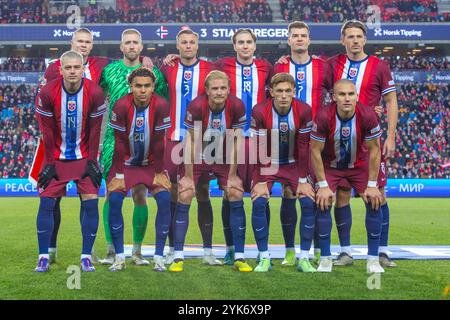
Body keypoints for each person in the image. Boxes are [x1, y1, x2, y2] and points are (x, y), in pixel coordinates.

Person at [29, 27, 155, 264]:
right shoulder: (54, 67)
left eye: (87, 42)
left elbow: (129, 59)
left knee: (88, 198)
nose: (83, 45)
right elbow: (48, 105)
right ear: (71, 43)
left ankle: (87, 253)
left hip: (88, 143)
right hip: (56, 142)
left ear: (92, 46)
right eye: (79, 41)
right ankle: (51, 249)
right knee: (50, 198)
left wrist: (145, 61)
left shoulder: (101, 65)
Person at [327, 20, 398, 268]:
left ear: (365, 39)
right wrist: (284, 59)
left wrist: (390, 136)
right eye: (350, 36)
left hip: (370, 141)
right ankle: (345, 252)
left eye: (359, 36)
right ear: (342, 40)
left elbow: (391, 101)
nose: (355, 40)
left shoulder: (379, 66)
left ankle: (382, 252)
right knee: (342, 193)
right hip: (339, 139)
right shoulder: (332, 64)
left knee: (378, 194)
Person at [169, 70, 251, 272]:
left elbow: (236, 141)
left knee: (235, 191)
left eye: (223, 88)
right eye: (214, 88)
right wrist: (188, 177)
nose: (219, 92)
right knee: (186, 193)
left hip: (223, 156)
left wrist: (232, 175)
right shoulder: (197, 106)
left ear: (229, 89)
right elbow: (191, 142)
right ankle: (178, 257)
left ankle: (238, 256)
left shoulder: (237, 105)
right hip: (198, 155)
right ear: (207, 90)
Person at [99, 28, 167, 266]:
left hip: (145, 141)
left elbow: (162, 103)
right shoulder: (108, 71)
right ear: (121, 47)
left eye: (135, 42)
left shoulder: (154, 73)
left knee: (140, 193)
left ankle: (137, 251)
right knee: (112, 192)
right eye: (127, 42)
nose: (131, 46)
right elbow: (96, 95)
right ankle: (110, 250)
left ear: (141, 46)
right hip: (113, 140)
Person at [34, 50, 105, 272]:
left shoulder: (95, 91)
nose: (73, 71)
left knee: (91, 204)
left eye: (77, 67)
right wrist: (49, 163)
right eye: (68, 67)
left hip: (84, 158)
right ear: (61, 70)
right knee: (46, 203)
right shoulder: (47, 92)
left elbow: (95, 130)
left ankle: (85, 257)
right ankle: (43, 257)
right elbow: (46, 131)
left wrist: (93, 161)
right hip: (56, 159)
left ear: (83, 68)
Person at [159, 29, 221, 266]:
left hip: (204, 140)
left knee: (202, 191)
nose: (187, 46)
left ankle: (207, 251)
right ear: (177, 45)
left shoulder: (210, 69)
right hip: (174, 138)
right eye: (183, 42)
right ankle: (175, 250)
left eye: (191, 42)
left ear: (197, 45)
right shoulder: (168, 68)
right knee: (174, 192)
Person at [273, 21, 332, 266]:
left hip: (318, 140)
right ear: (288, 40)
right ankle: (289, 251)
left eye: (303, 35)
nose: (299, 39)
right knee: (289, 191)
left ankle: (319, 251)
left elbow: (342, 90)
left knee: (319, 193)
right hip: (287, 138)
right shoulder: (278, 66)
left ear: (309, 40)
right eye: (294, 35)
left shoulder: (323, 66)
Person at [310, 79, 385, 273]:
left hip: (358, 164)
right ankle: (325, 258)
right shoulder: (324, 116)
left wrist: (371, 184)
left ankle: (373, 259)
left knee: (374, 200)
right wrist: (323, 185)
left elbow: (375, 149)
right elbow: (315, 151)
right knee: (323, 201)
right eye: (342, 94)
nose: (347, 98)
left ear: (357, 96)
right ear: (334, 97)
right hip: (331, 165)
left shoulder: (367, 115)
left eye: (351, 94)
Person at [107, 67, 172, 272]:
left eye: (147, 86)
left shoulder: (161, 105)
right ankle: (118, 257)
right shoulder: (120, 105)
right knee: (115, 200)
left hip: (151, 164)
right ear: (131, 87)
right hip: (125, 165)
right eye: (138, 86)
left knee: (164, 200)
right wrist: (118, 175)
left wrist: (160, 172)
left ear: (153, 87)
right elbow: (119, 142)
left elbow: (160, 142)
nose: (142, 90)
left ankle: (156, 256)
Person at [249, 73, 314, 272]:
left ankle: (302, 257)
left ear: (294, 92)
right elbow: (257, 146)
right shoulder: (260, 110)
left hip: (294, 164)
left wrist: (303, 179)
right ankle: (264, 257)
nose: (284, 95)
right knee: (259, 201)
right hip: (268, 163)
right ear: (271, 93)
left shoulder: (303, 110)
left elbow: (304, 147)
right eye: (279, 91)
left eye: (288, 91)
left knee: (307, 201)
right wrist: (260, 180)